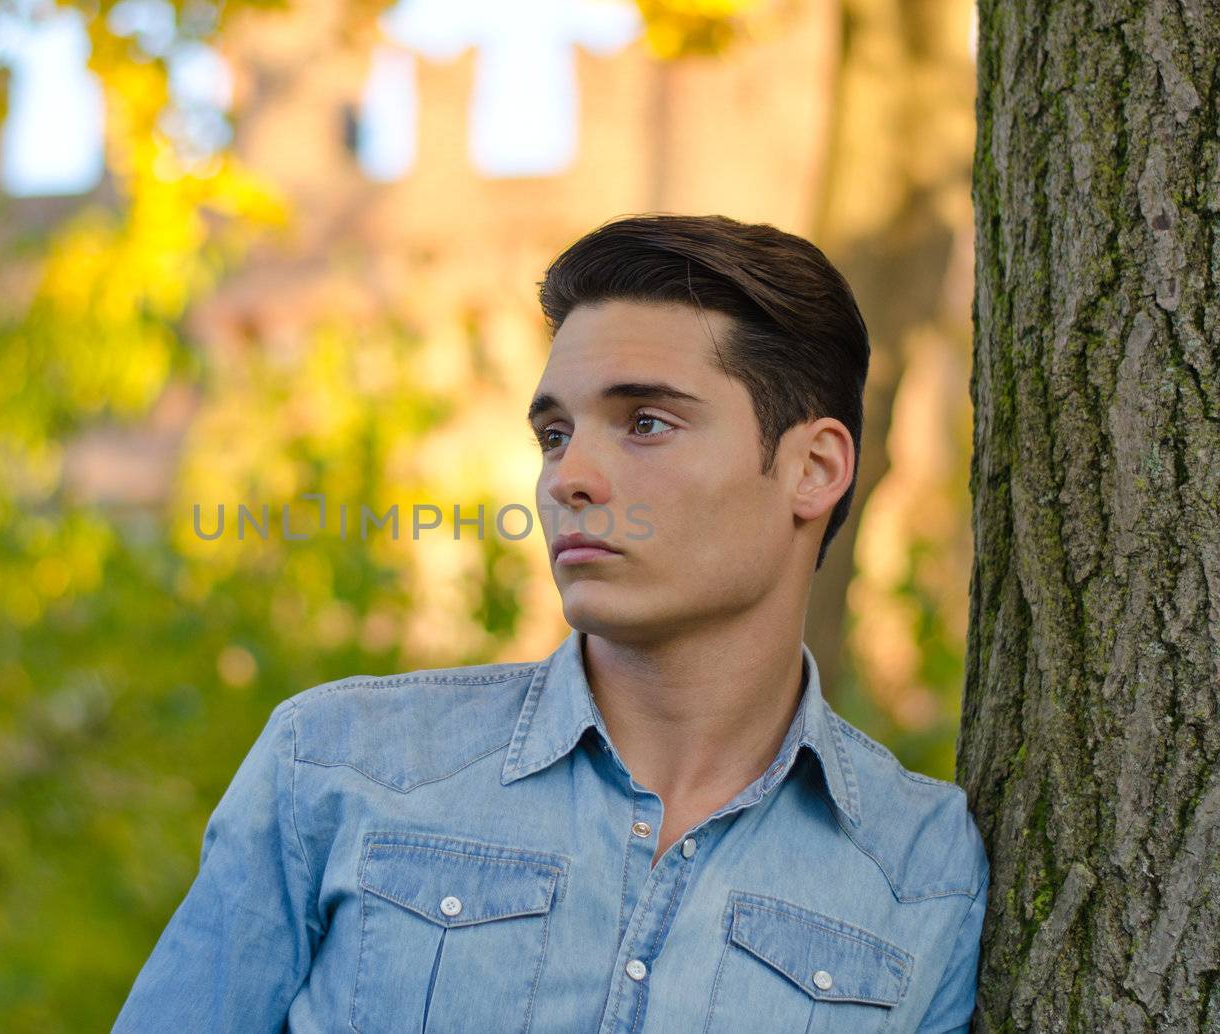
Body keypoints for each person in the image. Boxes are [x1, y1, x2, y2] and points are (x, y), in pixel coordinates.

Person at [110, 213, 988, 1033]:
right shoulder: (336, 764)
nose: (569, 477)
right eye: (555, 434)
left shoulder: (925, 869)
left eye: (645, 423)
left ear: (813, 468)